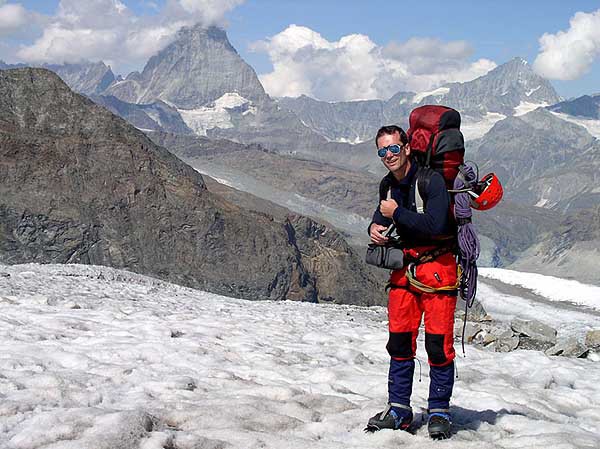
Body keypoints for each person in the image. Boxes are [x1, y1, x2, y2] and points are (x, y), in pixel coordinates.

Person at [366, 125, 458, 440]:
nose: (388, 156)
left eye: (393, 148)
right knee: (400, 343)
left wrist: (397, 213)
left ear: (406, 146)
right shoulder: (387, 185)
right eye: (382, 151)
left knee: (437, 346)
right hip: (404, 274)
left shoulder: (430, 181)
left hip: (437, 273)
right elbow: (381, 217)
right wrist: (373, 230)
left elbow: (437, 224)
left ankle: (439, 411)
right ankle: (399, 409)